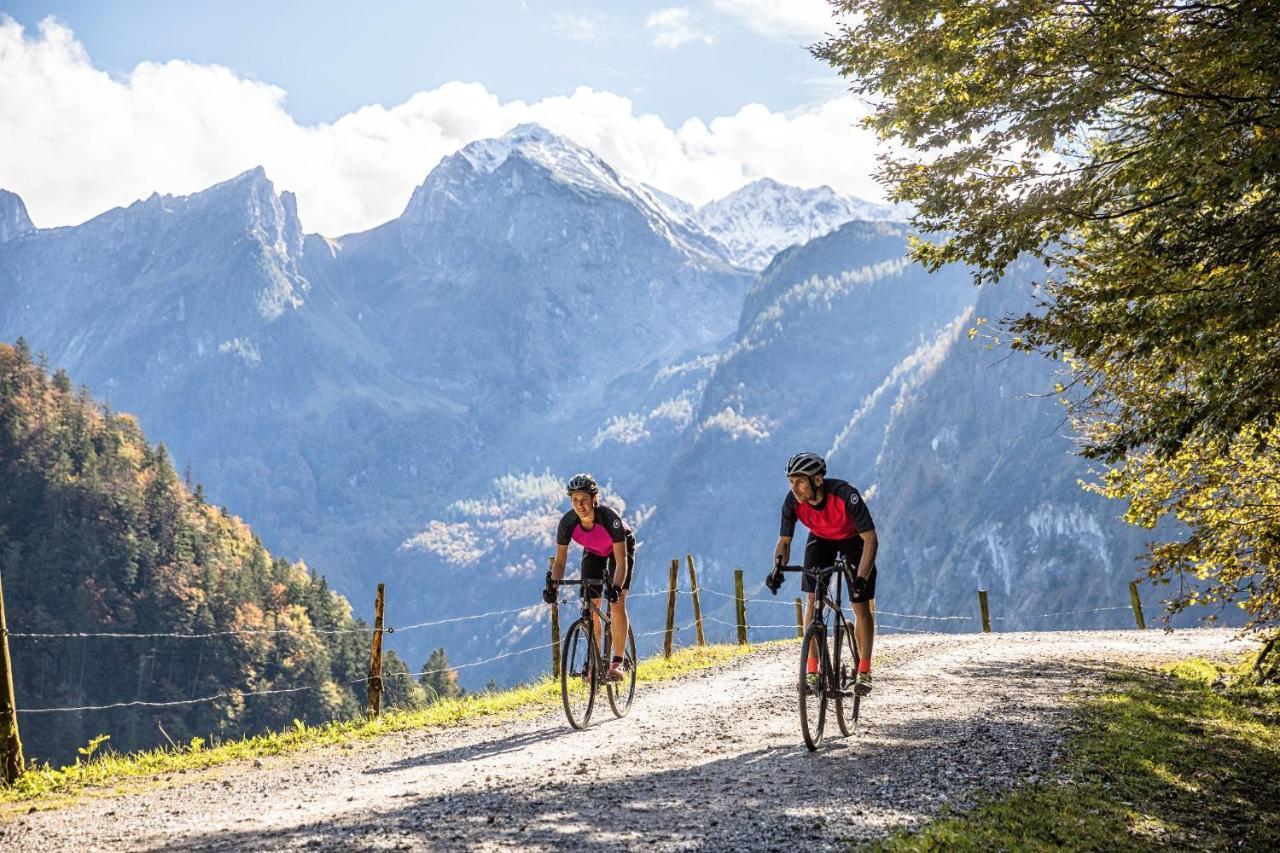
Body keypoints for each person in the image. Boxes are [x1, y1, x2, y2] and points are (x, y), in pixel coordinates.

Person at [766, 452, 877, 695]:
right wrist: (777, 569)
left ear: (817, 480)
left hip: (853, 540)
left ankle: (865, 672)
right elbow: (784, 542)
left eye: (799, 481)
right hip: (820, 539)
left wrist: (862, 577)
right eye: (790, 482)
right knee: (811, 601)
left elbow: (870, 539)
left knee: (860, 605)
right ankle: (813, 672)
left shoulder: (846, 495)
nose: (794, 488)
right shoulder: (793, 502)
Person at [542, 473, 635, 682]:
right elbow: (560, 562)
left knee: (617, 603)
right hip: (593, 552)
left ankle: (617, 663)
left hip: (619, 550)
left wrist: (616, 587)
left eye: (583, 499)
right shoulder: (567, 523)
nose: (579, 505)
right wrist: (553, 587)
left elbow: (621, 562)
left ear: (594, 498)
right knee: (591, 607)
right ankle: (595, 663)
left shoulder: (610, 519)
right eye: (574, 500)